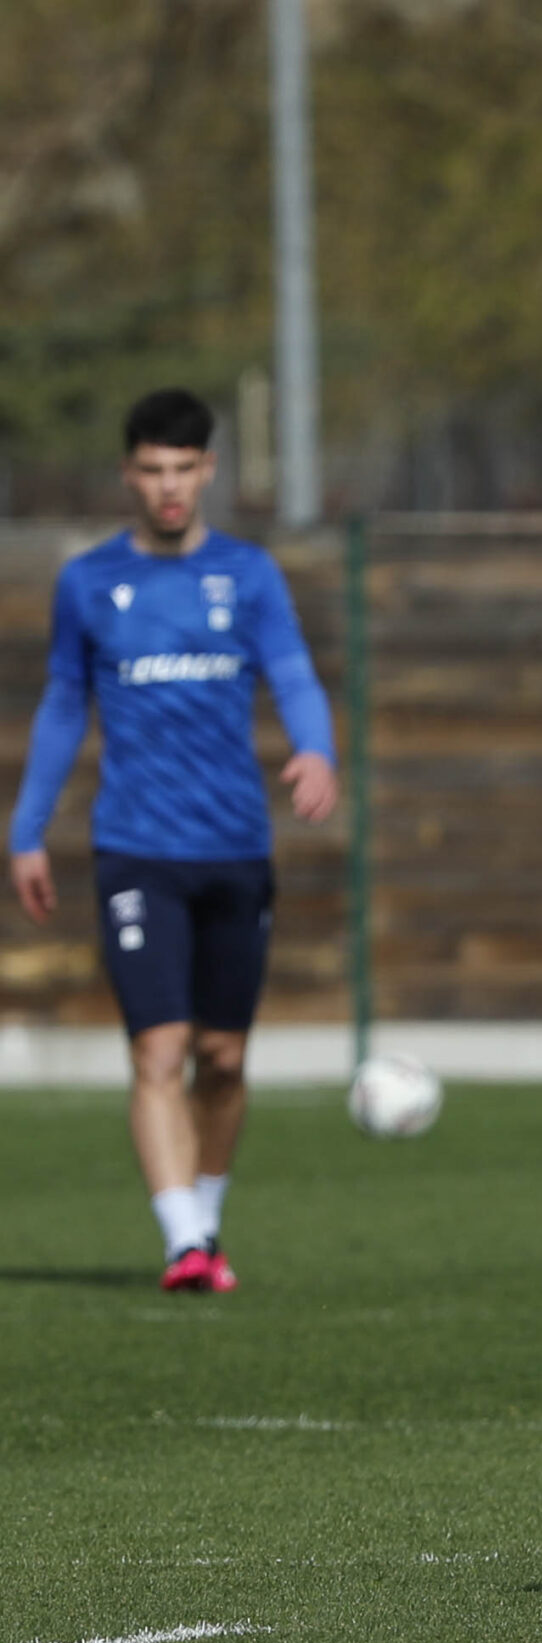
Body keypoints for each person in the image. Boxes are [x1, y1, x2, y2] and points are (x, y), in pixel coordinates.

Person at [8, 388, 339, 1292]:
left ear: (208, 472)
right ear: (129, 473)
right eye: (151, 469)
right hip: (135, 849)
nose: (167, 486)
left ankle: (205, 1221)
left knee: (223, 1058)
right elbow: (64, 703)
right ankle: (183, 1239)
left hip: (235, 848)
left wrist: (316, 749)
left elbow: (295, 675)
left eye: (182, 469)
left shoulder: (251, 575)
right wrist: (27, 826)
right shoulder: (88, 583)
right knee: (159, 1049)